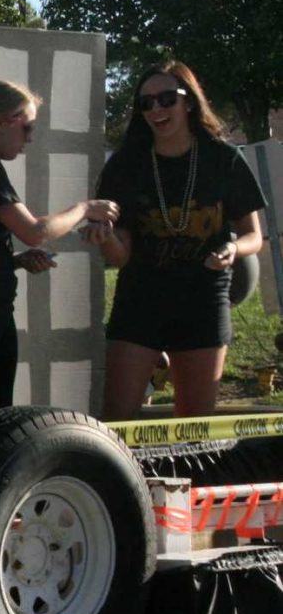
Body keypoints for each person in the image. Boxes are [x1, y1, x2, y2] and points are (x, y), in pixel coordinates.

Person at [0, 81, 120, 428]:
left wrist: (12, 262)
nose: (29, 139)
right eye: (26, 127)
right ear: (1, 122)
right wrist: (85, 207)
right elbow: (35, 232)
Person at [86, 62, 266, 421]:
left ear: (189, 103)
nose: (156, 110)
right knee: (117, 419)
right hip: (141, 297)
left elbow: (253, 236)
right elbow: (121, 255)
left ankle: (188, 480)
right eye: (146, 103)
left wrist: (233, 249)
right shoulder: (126, 165)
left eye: (167, 99)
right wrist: (104, 239)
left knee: (195, 424)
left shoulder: (223, 159)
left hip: (203, 299)